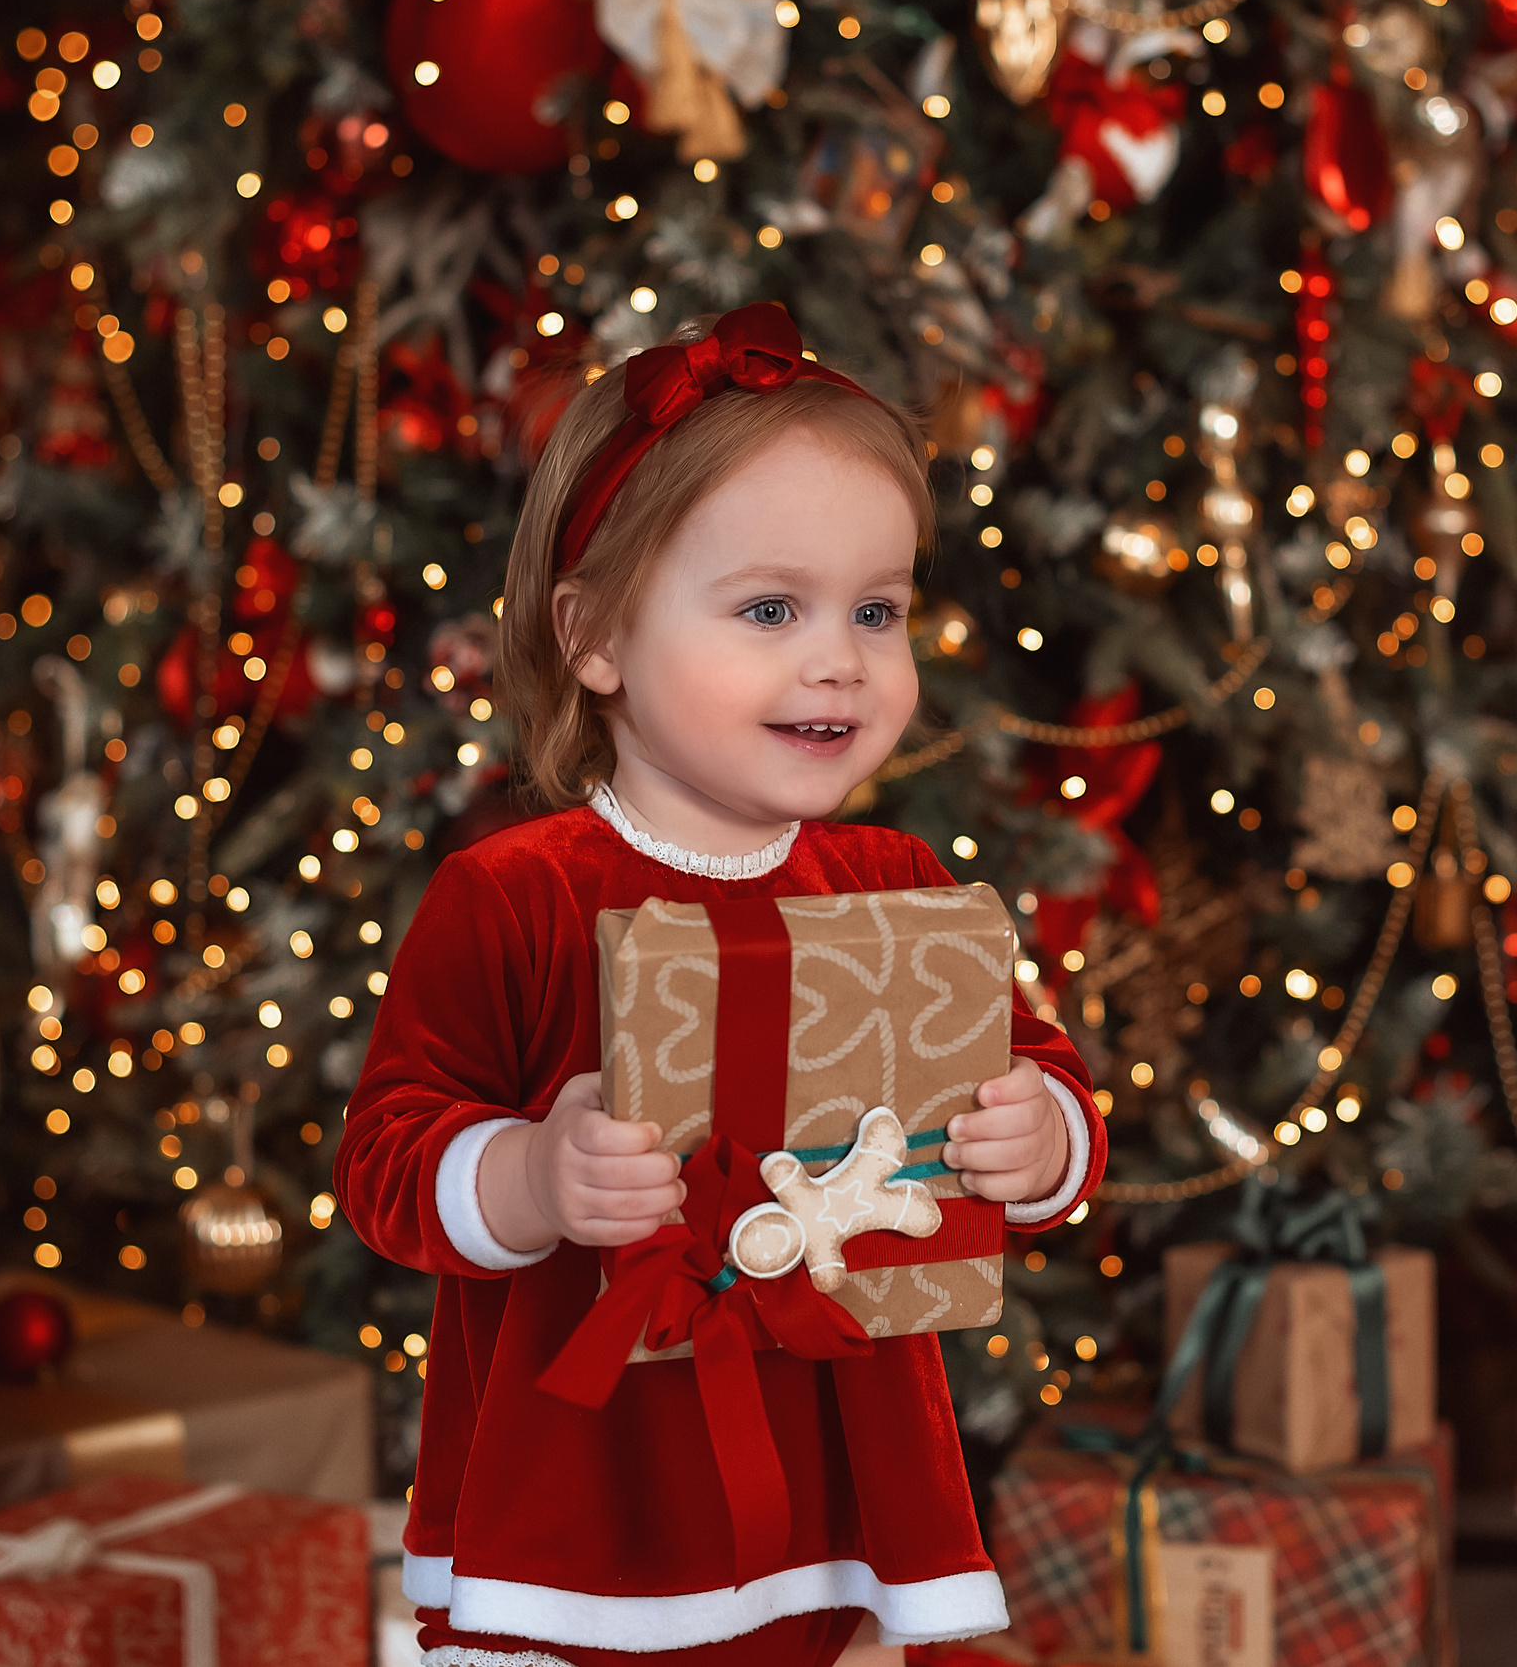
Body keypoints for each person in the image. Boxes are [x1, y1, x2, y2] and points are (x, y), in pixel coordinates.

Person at [335, 303, 1105, 1667]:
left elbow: (1036, 1072)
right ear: (598, 638)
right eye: (770, 608)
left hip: (843, 1474)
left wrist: (1039, 1135)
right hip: (586, 1488)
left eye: (879, 609)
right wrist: (526, 1175)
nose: (840, 658)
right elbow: (387, 1158)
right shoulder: (517, 896)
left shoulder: (890, 879)